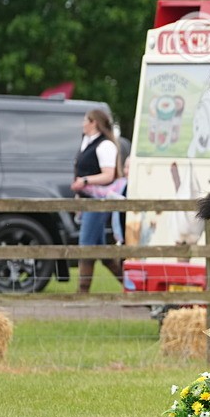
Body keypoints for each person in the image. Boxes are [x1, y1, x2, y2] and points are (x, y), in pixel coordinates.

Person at [70, 109, 125, 292]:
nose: (83, 124)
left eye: (86, 120)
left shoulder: (105, 145)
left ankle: (82, 291)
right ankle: (133, 286)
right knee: (103, 252)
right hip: (87, 201)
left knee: (86, 245)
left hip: (98, 201)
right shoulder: (87, 142)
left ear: (94, 123)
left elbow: (108, 175)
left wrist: (85, 181)